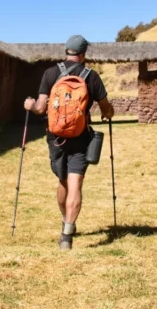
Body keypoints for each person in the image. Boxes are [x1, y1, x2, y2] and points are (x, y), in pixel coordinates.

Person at [24, 34, 115, 251]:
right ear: (83, 54)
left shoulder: (50, 73)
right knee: (75, 184)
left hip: (55, 139)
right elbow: (106, 109)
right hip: (81, 137)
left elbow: (39, 108)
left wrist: (30, 105)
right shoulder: (91, 76)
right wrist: (108, 113)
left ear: (67, 51)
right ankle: (67, 233)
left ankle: (65, 219)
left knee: (63, 182)